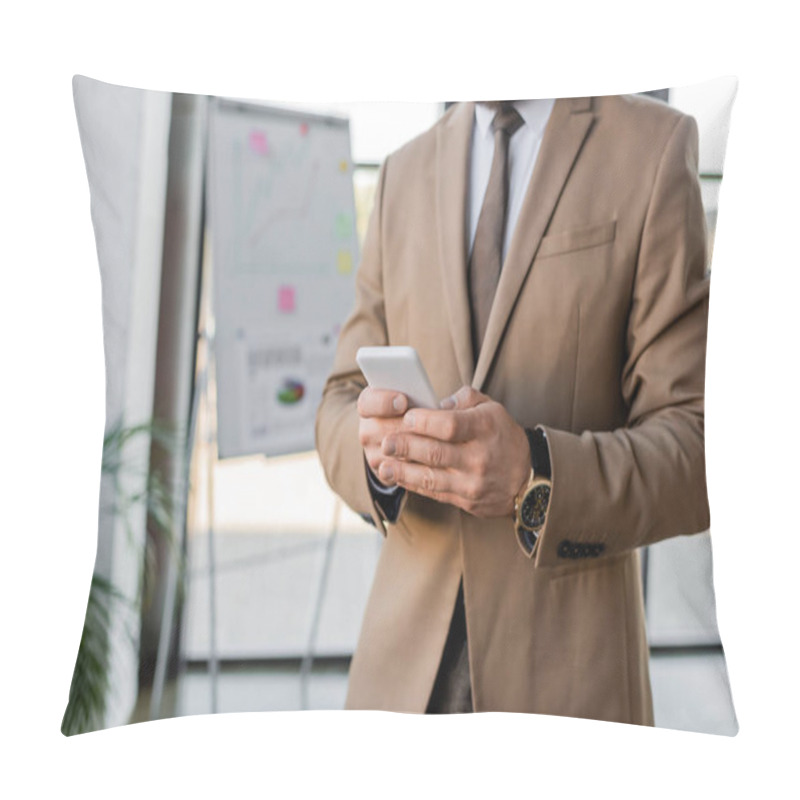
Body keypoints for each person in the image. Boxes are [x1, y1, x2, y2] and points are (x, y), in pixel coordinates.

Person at [315, 95, 710, 724]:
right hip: (400, 679)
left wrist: (535, 476)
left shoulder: (652, 148)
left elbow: (699, 447)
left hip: (570, 678)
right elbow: (338, 397)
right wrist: (375, 453)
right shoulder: (401, 172)